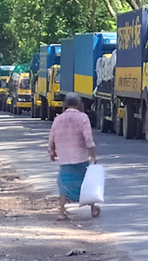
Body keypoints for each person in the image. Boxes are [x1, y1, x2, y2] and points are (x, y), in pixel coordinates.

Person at [48, 92, 98, 220]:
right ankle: (93, 209)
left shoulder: (58, 119)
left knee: (63, 183)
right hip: (80, 158)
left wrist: (52, 152)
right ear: (79, 104)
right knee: (86, 183)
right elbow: (88, 139)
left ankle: (61, 212)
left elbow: (52, 138)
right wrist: (93, 156)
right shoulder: (83, 118)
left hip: (64, 158)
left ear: (65, 105)